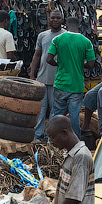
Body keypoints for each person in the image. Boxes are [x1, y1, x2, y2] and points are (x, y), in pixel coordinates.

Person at [47, 16, 97, 138]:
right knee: (74, 115)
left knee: (57, 114)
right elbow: (91, 64)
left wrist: (59, 64)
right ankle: (75, 142)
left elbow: (48, 59)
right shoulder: (86, 42)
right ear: (79, 26)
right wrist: (80, 64)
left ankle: (52, 141)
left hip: (60, 83)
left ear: (66, 25)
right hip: (76, 85)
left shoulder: (57, 39)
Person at [29, 10, 65, 142]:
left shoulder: (65, 36)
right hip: (42, 79)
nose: (55, 20)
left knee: (55, 112)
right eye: (53, 18)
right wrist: (32, 74)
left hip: (58, 80)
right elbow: (37, 55)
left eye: (58, 18)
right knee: (40, 110)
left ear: (62, 20)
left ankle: (51, 137)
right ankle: (38, 136)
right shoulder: (42, 36)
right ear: (49, 19)